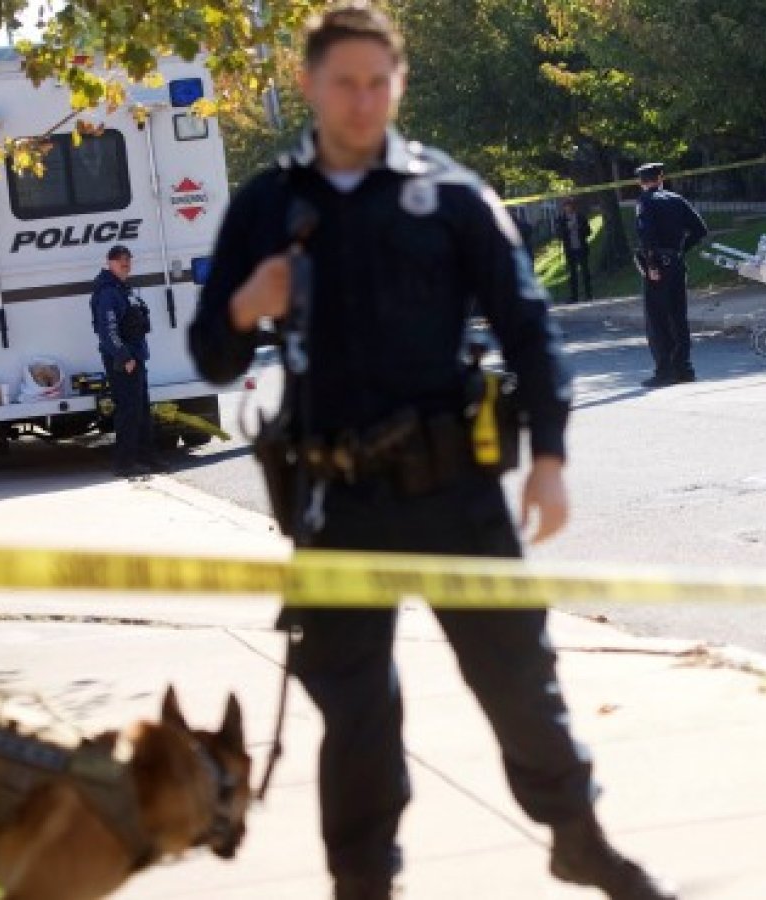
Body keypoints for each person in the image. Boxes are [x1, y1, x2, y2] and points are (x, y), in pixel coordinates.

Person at [187, 5, 677, 900]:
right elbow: (210, 357)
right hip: (337, 501)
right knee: (357, 711)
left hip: (454, 489)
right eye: (345, 82)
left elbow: (530, 328)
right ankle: (363, 881)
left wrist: (551, 458)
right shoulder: (267, 206)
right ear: (308, 84)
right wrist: (244, 306)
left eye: (379, 82)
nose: (363, 100)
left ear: (399, 84)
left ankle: (579, 839)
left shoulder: (449, 194)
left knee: (518, 678)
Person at [89, 244, 164, 477]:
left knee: (141, 411)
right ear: (109, 262)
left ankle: (147, 457)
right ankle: (125, 464)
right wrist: (124, 357)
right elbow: (108, 330)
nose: (125, 264)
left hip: (136, 357)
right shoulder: (107, 292)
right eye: (121, 261)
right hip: (124, 361)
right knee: (128, 413)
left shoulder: (122, 289)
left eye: (128, 260)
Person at [633, 162, 708, 388]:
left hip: (658, 265)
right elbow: (700, 229)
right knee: (678, 316)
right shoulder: (676, 199)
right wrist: (680, 250)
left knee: (657, 318)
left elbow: (647, 235)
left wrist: (651, 265)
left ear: (641, 182)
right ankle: (684, 368)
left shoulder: (645, 201)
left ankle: (665, 370)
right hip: (676, 263)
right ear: (661, 178)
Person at [554, 196, 593, 303]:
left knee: (585, 272)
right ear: (564, 207)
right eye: (566, 206)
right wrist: (568, 228)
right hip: (570, 250)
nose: (568, 208)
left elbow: (589, 231)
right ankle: (574, 297)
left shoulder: (580, 217)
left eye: (570, 205)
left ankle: (588, 295)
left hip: (581, 248)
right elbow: (559, 234)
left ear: (573, 206)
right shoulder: (561, 219)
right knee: (572, 274)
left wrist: (579, 228)